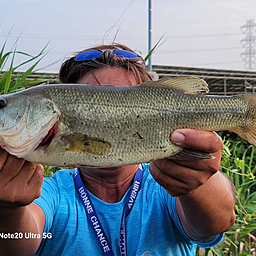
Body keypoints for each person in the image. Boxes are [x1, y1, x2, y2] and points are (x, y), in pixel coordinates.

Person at [0, 44, 236, 256]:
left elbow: (217, 222)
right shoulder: (51, 193)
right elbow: (16, 243)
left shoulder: (166, 184)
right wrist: (8, 211)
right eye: (95, 103)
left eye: (120, 100)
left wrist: (199, 182)